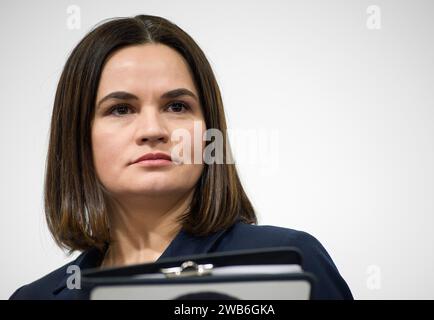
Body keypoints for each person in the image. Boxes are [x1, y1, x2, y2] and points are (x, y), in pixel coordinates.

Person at [9, 15, 353, 300]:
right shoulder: (34, 298)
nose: (153, 129)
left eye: (177, 106)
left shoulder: (290, 264)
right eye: (120, 109)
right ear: (78, 137)